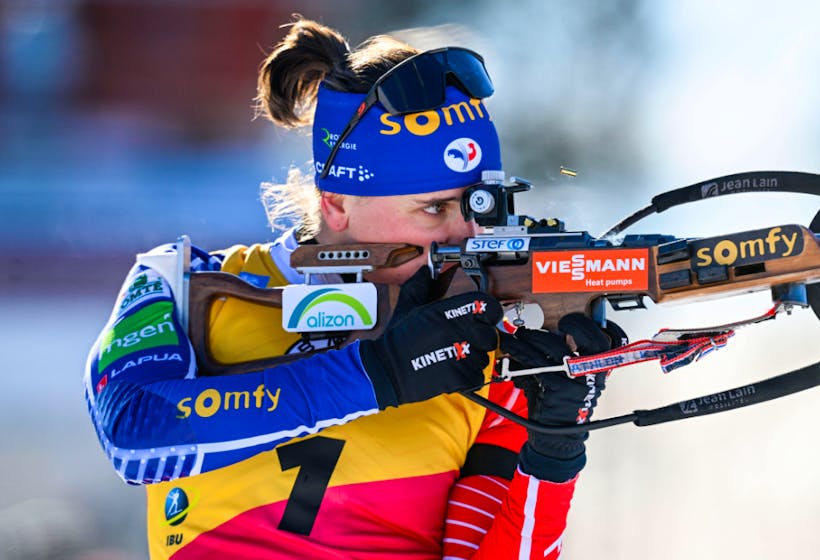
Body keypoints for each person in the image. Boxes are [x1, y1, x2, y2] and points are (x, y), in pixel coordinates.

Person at [84, 16, 622, 559]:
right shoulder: (179, 282)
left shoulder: (487, 347)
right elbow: (134, 433)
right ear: (336, 203)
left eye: (478, 206)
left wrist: (553, 456)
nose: (466, 234)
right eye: (433, 209)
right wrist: (377, 374)